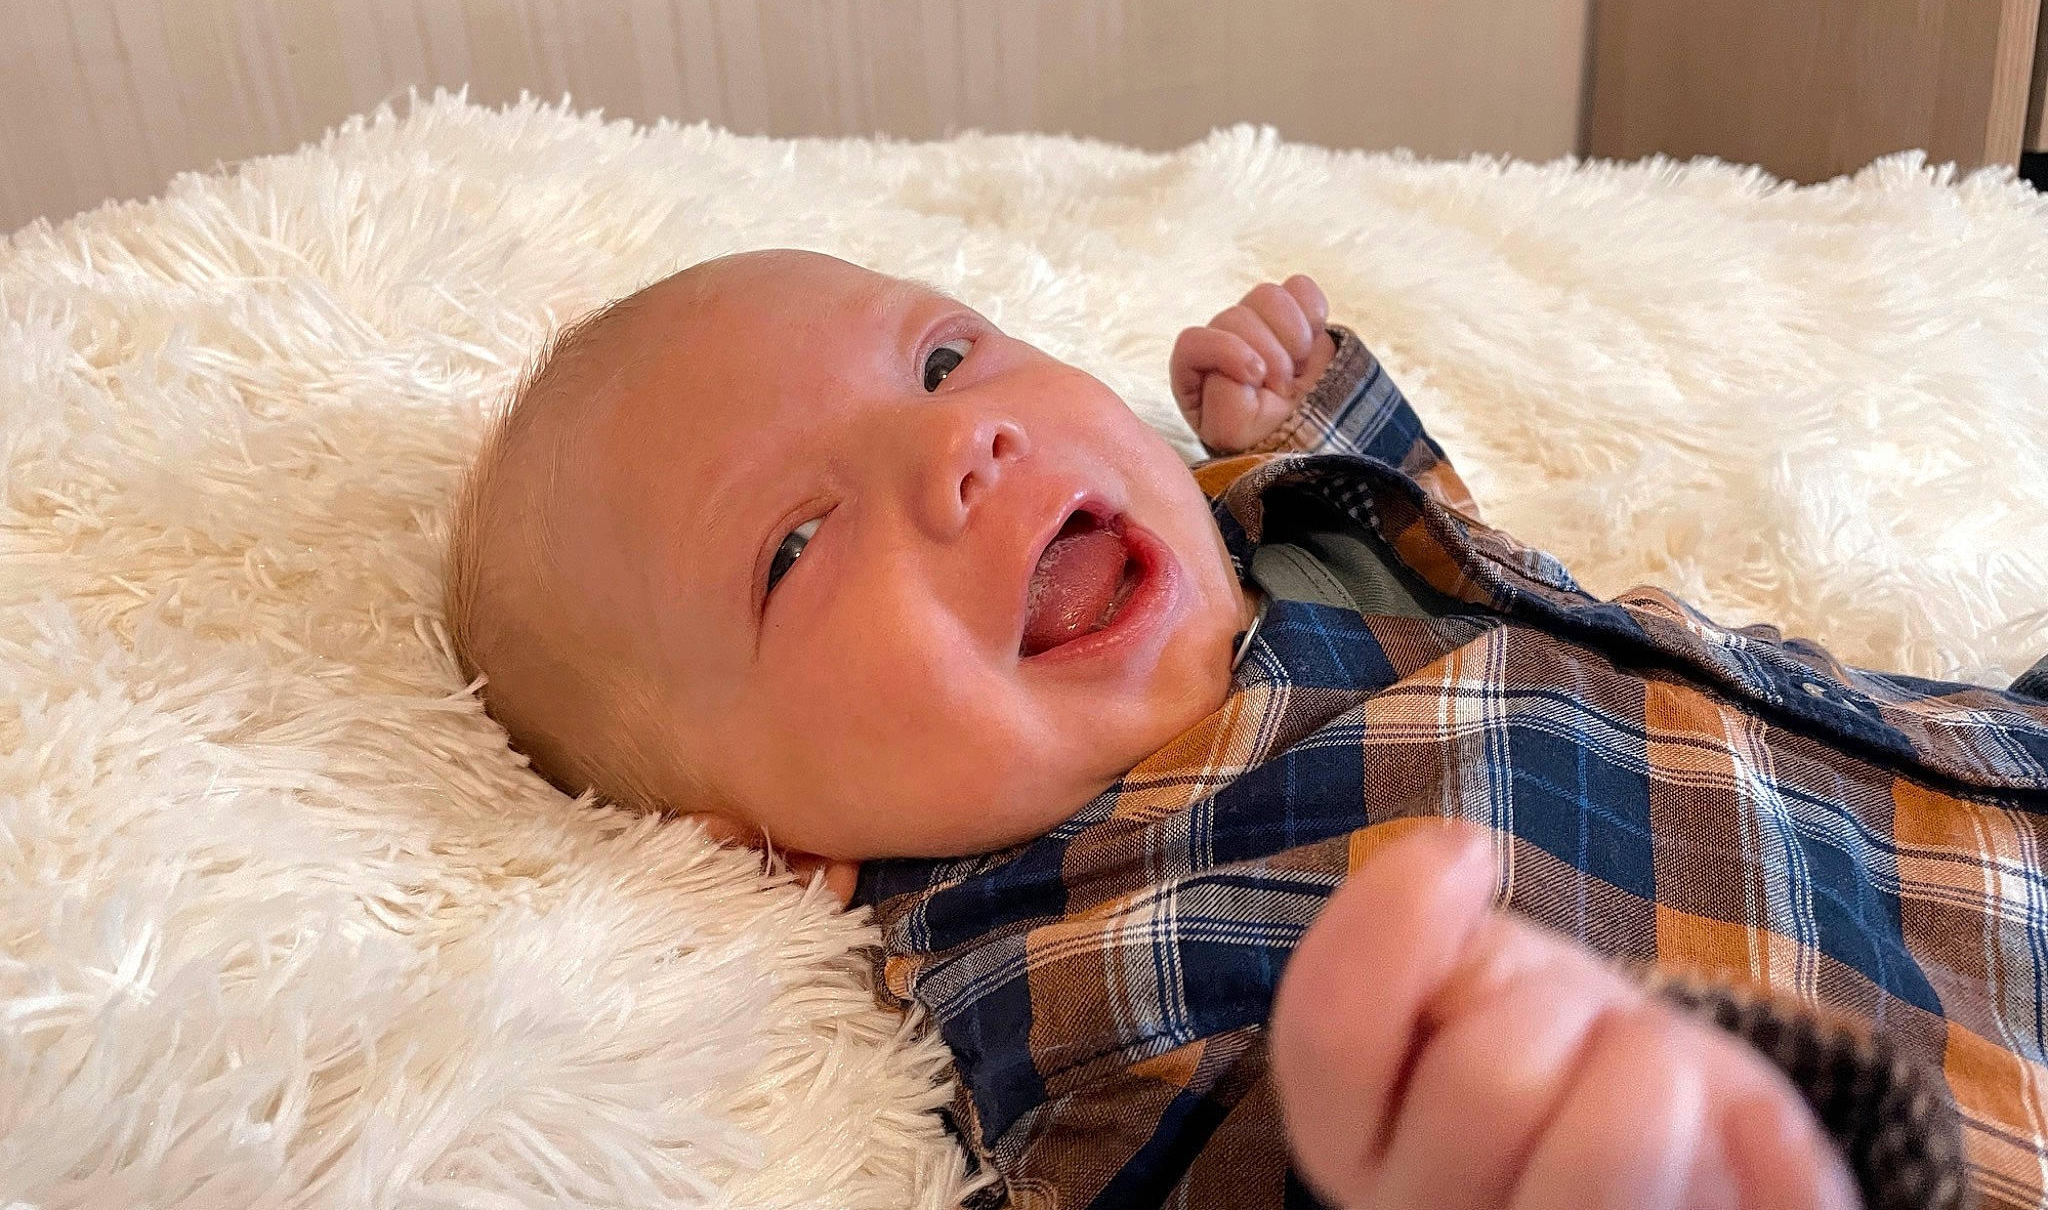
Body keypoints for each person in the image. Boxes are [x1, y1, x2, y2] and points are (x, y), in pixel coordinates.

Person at [445, 248, 2048, 1209]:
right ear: (776, 845)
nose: (961, 442)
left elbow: (1464, 552)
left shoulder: (1253, 534)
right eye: (795, 546)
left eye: (941, 357)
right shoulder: (1091, 969)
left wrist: (1306, 403)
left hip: (1974, 763)